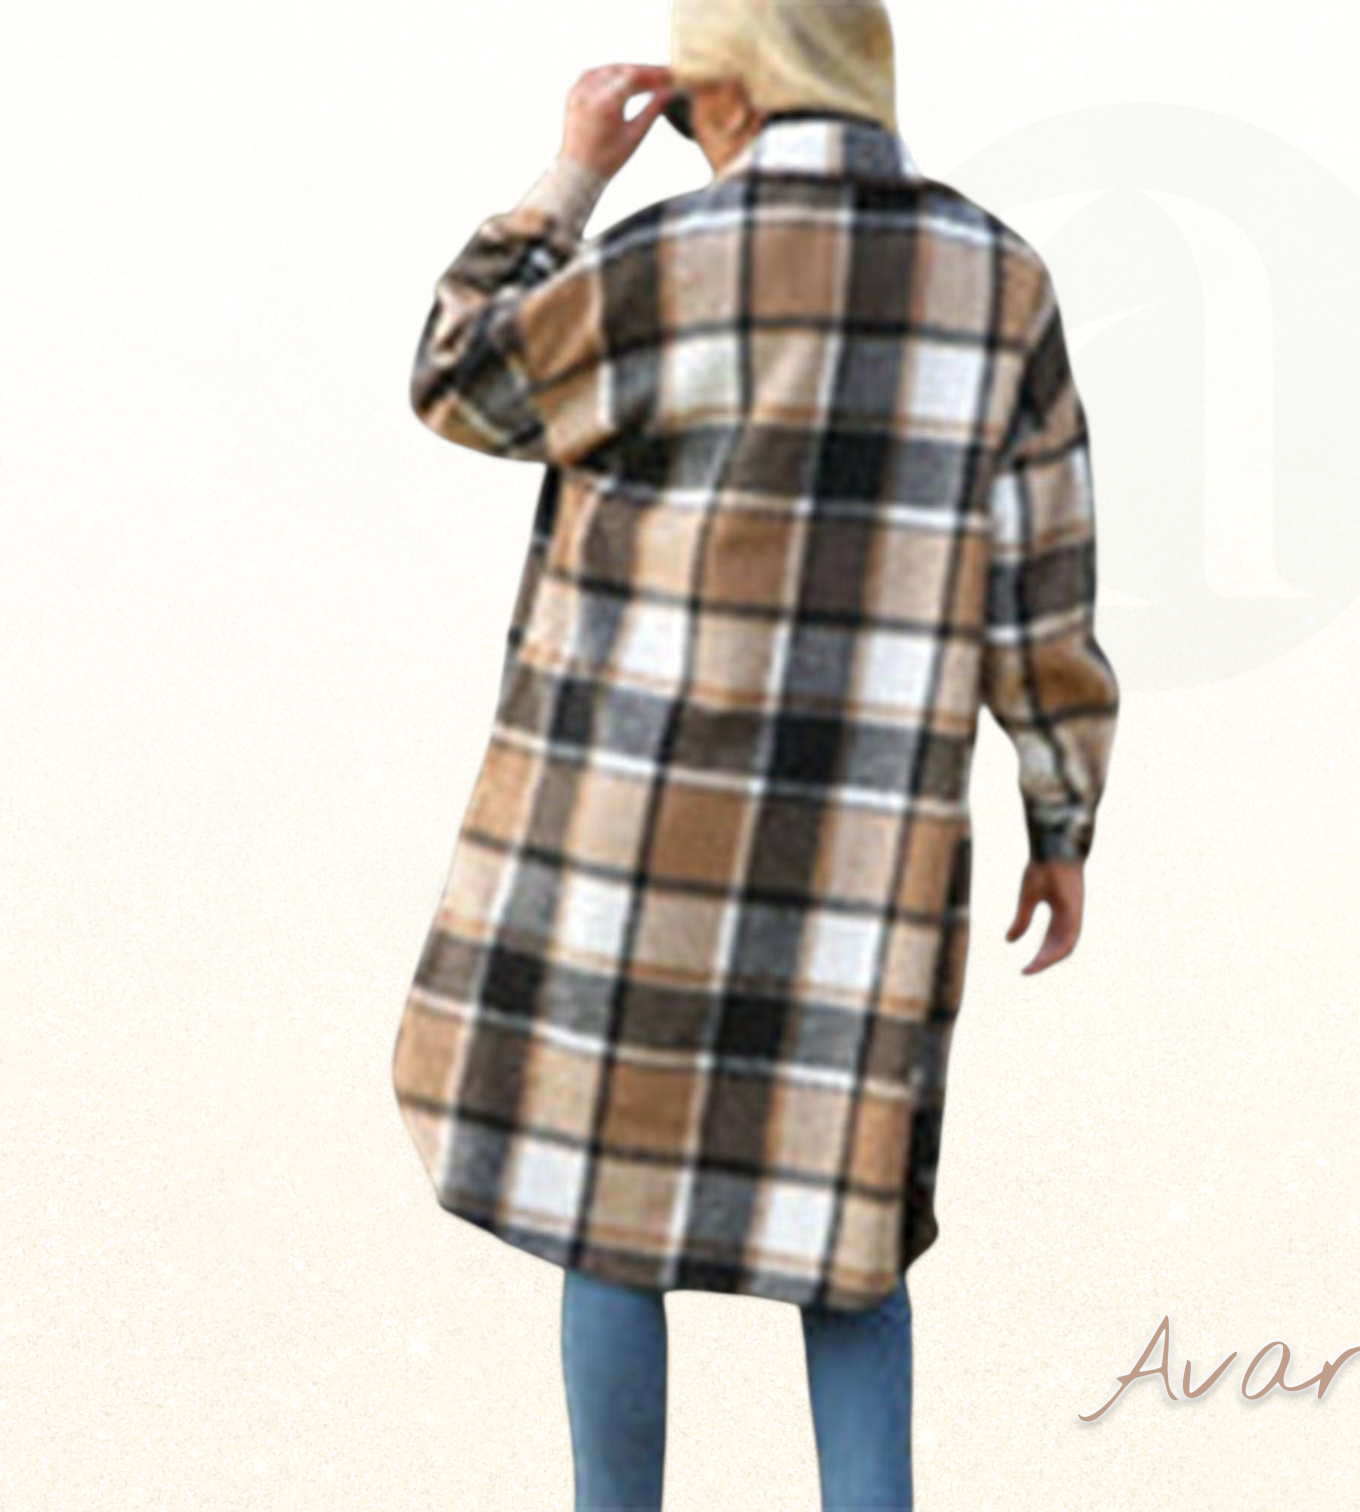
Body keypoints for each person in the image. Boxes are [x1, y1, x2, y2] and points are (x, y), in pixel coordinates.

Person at [391, 2, 1119, 1506]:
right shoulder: (998, 282)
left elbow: (460, 377)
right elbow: (1040, 581)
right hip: (866, 854)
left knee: (607, 1214)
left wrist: (571, 174)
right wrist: (1062, 811)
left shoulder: (660, 261)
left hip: (631, 841)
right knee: (850, 1239)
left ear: (718, 95)